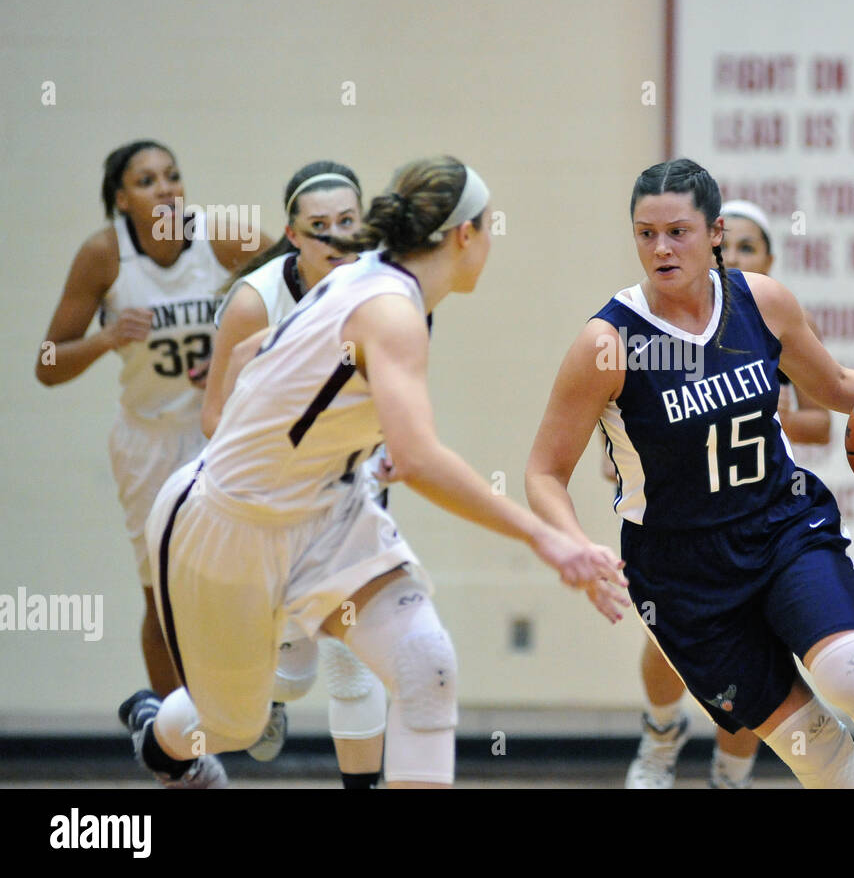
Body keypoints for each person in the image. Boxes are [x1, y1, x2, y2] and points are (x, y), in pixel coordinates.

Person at [120, 156, 625, 788]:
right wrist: (544, 537)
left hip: (328, 512)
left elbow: (258, 351)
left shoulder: (372, 278)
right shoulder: (390, 309)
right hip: (228, 520)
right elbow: (418, 460)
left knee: (426, 666)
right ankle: (158, 734)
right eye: (491, 227)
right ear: (464, 235)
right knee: (234, 725)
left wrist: (333, 433)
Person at [526, 159, 854, 789]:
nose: (660, 247)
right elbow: (544, 472)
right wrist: (575, 547)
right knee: (821, 762)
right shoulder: (606, 343)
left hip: (780, 526)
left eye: (678, 231)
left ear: (714, 232)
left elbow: (841, 387)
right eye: (645, 233)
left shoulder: (760, 300)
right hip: (679, 569)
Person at [35, 140, 270, 696]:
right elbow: (47, 365)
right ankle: (175, 746)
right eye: (147, 181)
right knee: (161, 595)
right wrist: (106, 338)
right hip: (147, 440)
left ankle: (257, 700)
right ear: (121, 199)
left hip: (220, 434)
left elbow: (300, 297)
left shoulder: (223, 235)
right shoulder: (103, 255)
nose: (165, 188)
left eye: (172, 175)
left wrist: (238, 355)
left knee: (245, 578)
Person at [624, 199, 832, 789]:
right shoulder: (658, 320)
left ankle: (731, 772)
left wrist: (756, 411)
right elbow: (618, 405)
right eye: (728, 243)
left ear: (769, 258)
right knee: (667, 639)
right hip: (681, 513)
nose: (734, 255)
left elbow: (823, 419)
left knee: (755, 654)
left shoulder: (770, 311)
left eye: (749, 247)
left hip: (762, 503)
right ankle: (660, 737)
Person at [203, 161, 391, 788]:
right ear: (291, 234)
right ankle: (218, 714)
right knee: (297, 661)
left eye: (347, 222)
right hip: (273, 499)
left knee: (351, 658)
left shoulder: (387, 289)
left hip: (355, 488)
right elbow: (214, 421)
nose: (335, 237)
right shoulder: (256, 301)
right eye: (319, 227)